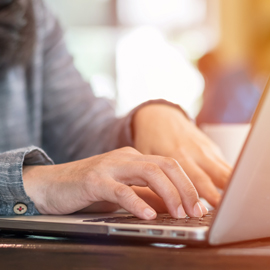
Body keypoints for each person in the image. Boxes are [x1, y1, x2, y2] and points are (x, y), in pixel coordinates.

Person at [0, 0, 231, 220]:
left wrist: (145, 121)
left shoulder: (32, 14)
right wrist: (38, 184)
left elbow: (78, 132)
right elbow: (66, 176)